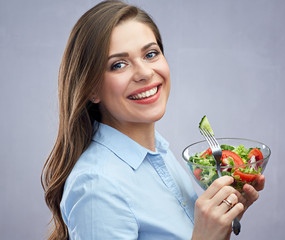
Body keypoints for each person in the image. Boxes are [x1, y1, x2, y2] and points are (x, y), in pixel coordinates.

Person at [41, 1, 265, 239]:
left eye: (150, 54)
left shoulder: (158, 152)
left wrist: (222, 221)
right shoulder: (97, 186)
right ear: (91, 89)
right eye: (118, 64)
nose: (145, 73)